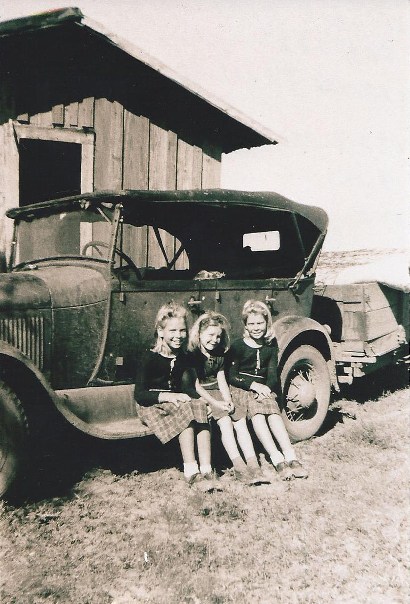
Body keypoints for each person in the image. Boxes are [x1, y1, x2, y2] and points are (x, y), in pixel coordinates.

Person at [134, 301, 220, 490]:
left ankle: (207, 469)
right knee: (186, 411)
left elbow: (187, 387)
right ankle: (191, 470)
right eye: (172, 331)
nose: (178, 336)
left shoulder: (183, 357)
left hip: (175, 401)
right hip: (152, 404)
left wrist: (203, 402)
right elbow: (140, 395)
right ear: (160, 331)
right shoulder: (149, 357)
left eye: (182, 331)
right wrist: (168, 397)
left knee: (198, 407)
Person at [227, 300, 308, 480]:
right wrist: (253, 386)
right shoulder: (238, 346)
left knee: (273, 414)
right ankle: (277, 458)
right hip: (243, 387)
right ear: (245, 325)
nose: (256, 328)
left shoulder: (270, 346)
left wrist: (267, 389)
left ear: (267, 323)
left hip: (263, 389)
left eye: (260, 323)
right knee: (257, 416)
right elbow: (232, 376)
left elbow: (272, 374)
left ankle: (291, 456)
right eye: (252, 324)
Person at [188, 311, 269, 485]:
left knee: (239, 422)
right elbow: (195, 385)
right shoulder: (193, 355)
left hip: (219, 393)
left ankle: (253, 464)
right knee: (225, 423)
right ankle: (238, 465)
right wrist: (216, 402)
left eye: (218, 336)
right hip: (205, 394)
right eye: (210, 335)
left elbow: (221, 378)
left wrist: (228, 399)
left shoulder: (219, 354)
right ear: (199, 334)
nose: (214, 340)